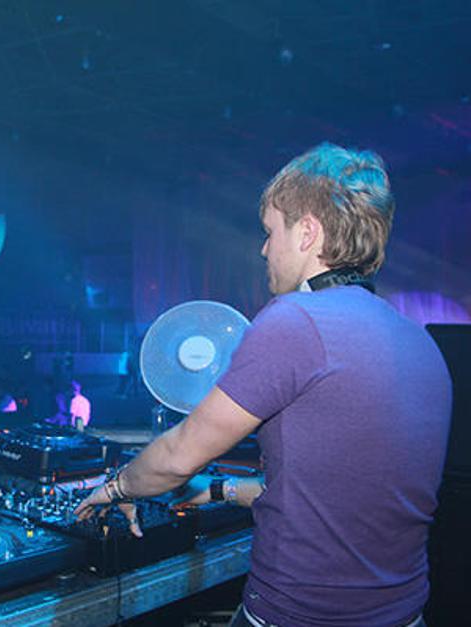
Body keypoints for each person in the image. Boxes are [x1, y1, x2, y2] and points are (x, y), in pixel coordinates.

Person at [75, 143, 451, 627]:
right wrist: (220, 490)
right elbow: (341, 499)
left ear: (308, 233)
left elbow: (177, 456)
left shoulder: (295, 320)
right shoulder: (419, 342)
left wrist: (117, 488)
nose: (264, 249)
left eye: (271, 232)